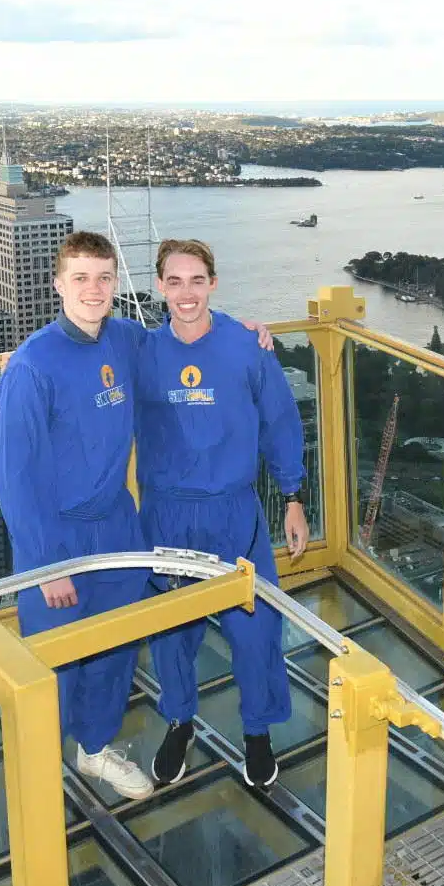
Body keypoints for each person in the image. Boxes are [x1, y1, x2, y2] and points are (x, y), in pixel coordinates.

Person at [134, 238, 309, 788]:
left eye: (197, 280)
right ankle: (180, 721)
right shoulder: (141, 351)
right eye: (175, 281)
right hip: (166, 516)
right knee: (171, 633)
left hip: (234, 514)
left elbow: (280, 422)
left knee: (255, 631)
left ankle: (257, 731)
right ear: (160, 287)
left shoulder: (246, 346)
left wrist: (294, 498)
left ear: (213, 283)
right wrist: (20, 360)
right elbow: (84, 363)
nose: (186, 293)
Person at [0, 230, 155, 800]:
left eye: (104, 277)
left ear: (116, 283)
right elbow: (13, 479)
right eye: (80, 277)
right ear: (58, 284)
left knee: (114, 650)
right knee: (52, 665)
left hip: (116, 526)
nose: (94, 289)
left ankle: (95, 749)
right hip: (56, 537)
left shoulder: (125, 339)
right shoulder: (32, 366)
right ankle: (37, 781)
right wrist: (46, 566)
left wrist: (246, 331)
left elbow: (184, 340)